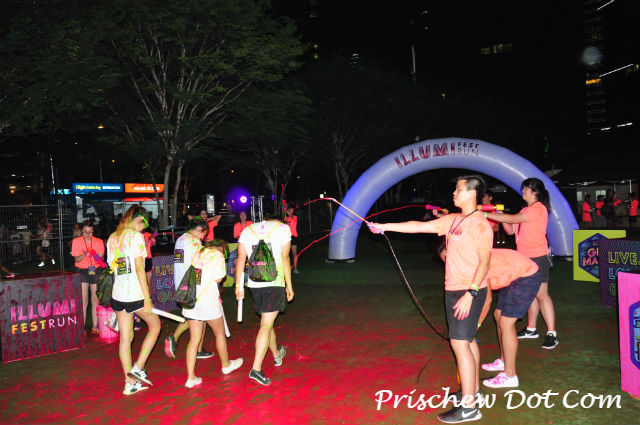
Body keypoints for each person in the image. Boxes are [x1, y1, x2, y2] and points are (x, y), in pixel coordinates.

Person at [369, 175, 492, 423]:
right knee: (467, 341)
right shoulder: (454, 220)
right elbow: (418, 226)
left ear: (472, 193)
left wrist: (471, 294)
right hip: (454, 289)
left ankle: (469, 408)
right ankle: (473, 392)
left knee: (459, 343)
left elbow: (485, 262)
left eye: (458, 189)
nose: (454, 193)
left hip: (468, 291)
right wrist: (385, 226)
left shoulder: (480, 224)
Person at [438, 243, 541, 389]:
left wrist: (475, 326)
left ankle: (510, 375)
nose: (448, 261)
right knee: (498, 315)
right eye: (445, 259)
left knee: (506, 322)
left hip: (526, 274)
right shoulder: (466, 263)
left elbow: (487, 298)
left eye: (448, 255)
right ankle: (504, 361)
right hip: (513, 275)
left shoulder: (475, 262)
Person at [485, 177, 558, 349]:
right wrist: (501, 217)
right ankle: (531, 329)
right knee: (529, 294)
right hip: (523, 258)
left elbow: (513, 219)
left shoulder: (538, 209)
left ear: (535, 192)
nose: (522, 191)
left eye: (525, 189)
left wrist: (486, 214)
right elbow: (511, 230)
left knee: (542, 295)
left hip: (538, 257)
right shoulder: (525, 209)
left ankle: (552, 333)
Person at [106, 206, 161, 395]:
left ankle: (129, 384)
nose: (143, 229)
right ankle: (138, 367)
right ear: (138, 220)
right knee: (155, 326)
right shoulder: (136, 237)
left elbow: (112, 266)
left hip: (118, 293)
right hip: (134, 294)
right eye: (143, 225)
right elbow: (139, 269)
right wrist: (147, 298)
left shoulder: (113, 237)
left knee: (125, 338)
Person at [236, 216, 294, 386]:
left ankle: (276, 354)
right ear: (277, 220)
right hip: (274, 283)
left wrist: (238, 286)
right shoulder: (283, 229)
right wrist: (289, 285)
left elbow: (241, 259)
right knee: (266, 326)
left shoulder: (248, 230)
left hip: (254, 284)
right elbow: (285, 258)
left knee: (266, 322)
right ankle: (256, 368)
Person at [183, 240, 243, 388]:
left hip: (192, 300)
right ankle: (226, 365)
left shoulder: (199, 252)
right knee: (219, 334)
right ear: (222, 250)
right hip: (208, 302)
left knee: (194, 339)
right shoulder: (218, 256)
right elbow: (219, 278)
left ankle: (190, 378)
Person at [164, 218, 213, 359]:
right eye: (204, 234)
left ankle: (178, 339)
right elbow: (199, 265)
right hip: (192, 286)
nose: (203, 238)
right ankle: (197, 349)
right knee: (200, 318)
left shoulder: (180, 239)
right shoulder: (195, 242)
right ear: (199, 230)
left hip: (180, 285)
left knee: (192, 316)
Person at [71, 221, 106, 334]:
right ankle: (82, 328)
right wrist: (84, 255)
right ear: (81, 231)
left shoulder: (99, 241)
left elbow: (101, 261)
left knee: (95, 299)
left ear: (93, 231)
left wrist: (96, 255)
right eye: (85, 232)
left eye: (90, 232)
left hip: (95, 270)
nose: (87, 235)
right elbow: (77, 259)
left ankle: (95, 326)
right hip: (82, 271)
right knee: (84, 300)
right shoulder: (76, 241)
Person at [285, 206, 300, 274]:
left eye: (292, 210)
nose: (292, 211)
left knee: (294, 253)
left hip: (294, 237)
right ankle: (286, 268)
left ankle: (295, 268)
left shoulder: (294, 217)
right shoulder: (286, 218)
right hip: (287, 237)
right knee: (286, 254)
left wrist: (287, 212)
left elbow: (291, 217)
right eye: (291, 210)